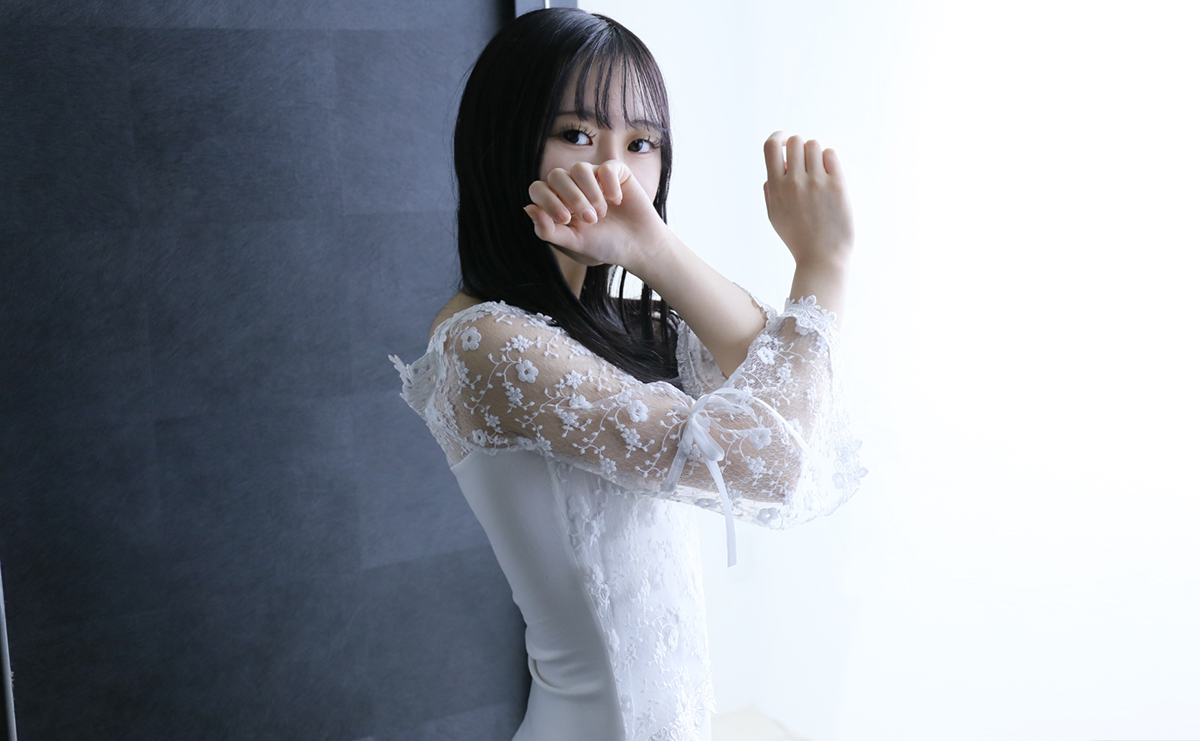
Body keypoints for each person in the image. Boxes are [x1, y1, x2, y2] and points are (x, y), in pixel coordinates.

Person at [389, 8, 866, 740]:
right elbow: (774, 466)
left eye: (641, 143)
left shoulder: (620, 322)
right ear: (505, 140)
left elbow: (804, 409)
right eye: (577, 134)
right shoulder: (488, 341)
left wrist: (652, 248)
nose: (615, 173)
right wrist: (824, 266)